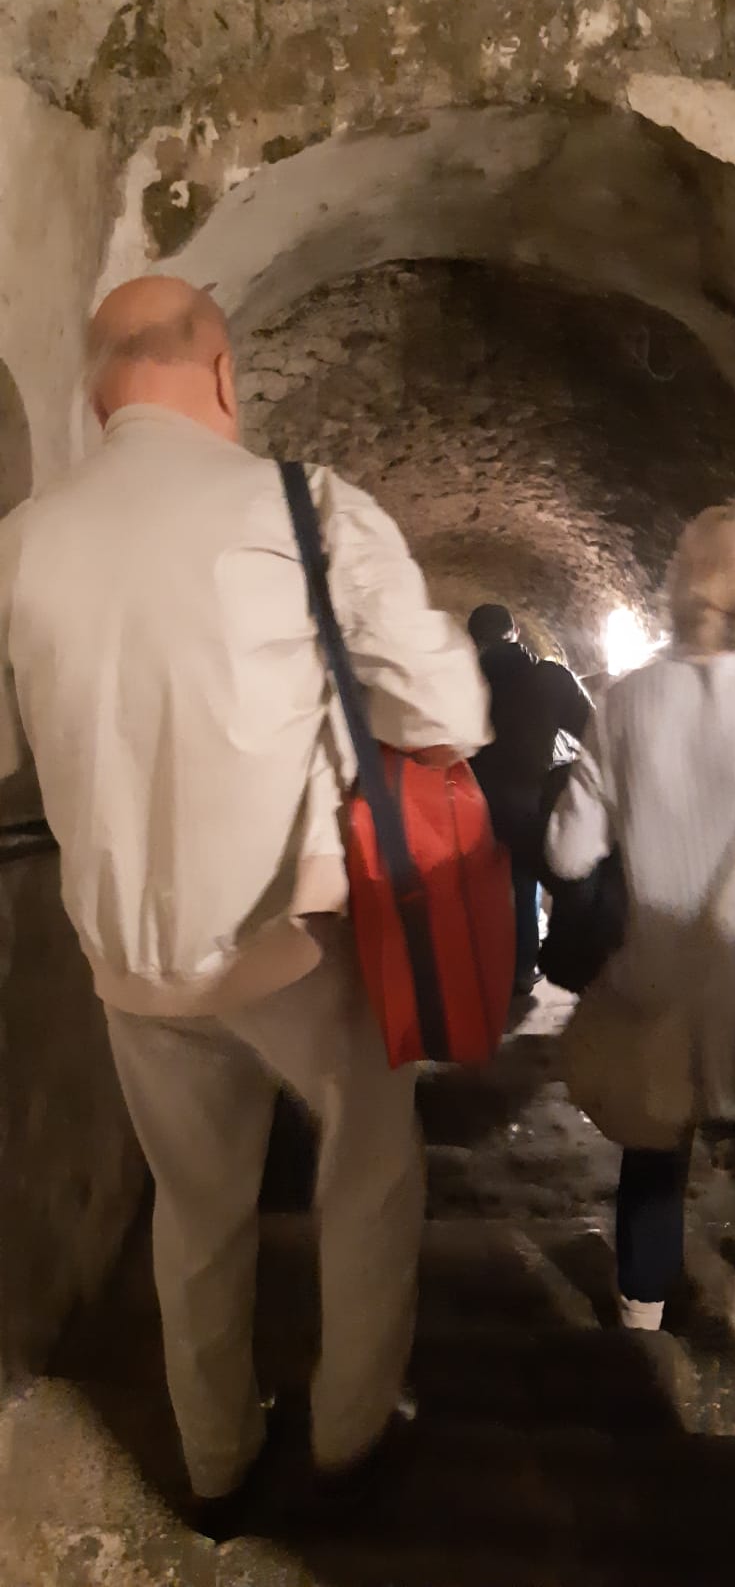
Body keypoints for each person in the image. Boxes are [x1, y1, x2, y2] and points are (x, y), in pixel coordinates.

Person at [0, 276, 491, 1536]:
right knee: (368, 1173)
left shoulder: (22, 543)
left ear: (95, 395)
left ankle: (218, 1461)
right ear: (221, 375)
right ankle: (351, 1437)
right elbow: (446, 712)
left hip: (126, 965)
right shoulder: (304, 508)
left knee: (195, 1209)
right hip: (291, 945)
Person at [546, 496, 735, 1352]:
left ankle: (641, 1304)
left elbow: (568, 850)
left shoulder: (627, 700)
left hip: (659, 973)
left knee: (653, 1138)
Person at [468, 602, 592, 994]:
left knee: (474, 883)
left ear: (473, 640)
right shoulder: (549, 677)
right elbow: (592, 731)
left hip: (470, 799)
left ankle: (476, 965)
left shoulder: (463, 679)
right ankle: (522, 966)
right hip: (527, 795)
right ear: (516, 631)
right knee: (524, 880)